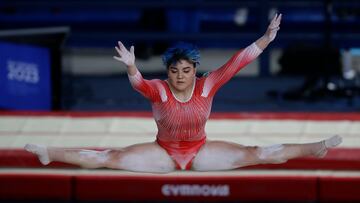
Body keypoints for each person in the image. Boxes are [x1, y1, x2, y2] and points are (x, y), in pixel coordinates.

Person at [25, 14, 342, 173]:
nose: (179, 76)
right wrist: (132, 67)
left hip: (202, 151)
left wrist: (267, 39)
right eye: (174, 71)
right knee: (110, 158)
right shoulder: (159, 90)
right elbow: (139, 84)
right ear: (168, 72)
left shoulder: (208, 84)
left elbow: (238, 61)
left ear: (195, 71)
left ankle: (316, 147)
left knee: (258, 152)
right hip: (163, 153)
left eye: (185, 71)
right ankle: (50, 153)